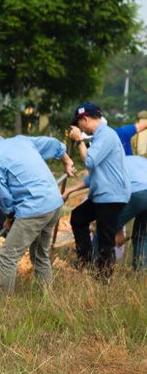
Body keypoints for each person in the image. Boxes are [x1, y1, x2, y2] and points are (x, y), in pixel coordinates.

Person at [0, 126, 76, 291]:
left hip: (35, 208)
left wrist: (9, 218)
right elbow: (52, 144)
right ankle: (48, 299)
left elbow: (4, 197)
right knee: (40, 255)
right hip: (54, 204)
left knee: (7, 256)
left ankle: (2, 305)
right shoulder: (20, 141)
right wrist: (67, 161)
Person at [64, 102, 130, 278]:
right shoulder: (99, 137)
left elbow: (89, 161)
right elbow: (94, 175)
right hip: (102, 195)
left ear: (85, 119)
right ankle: (86, 263)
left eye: (79, 125)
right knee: (78, 217)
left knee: (105, 240)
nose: (80, 128)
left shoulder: (106, 135)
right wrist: (69, 191)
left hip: (112, 196)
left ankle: (103, 279)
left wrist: (79, 140)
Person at [114, 155, 147, 270]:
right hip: (142, 189)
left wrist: (118, 233)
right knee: (141, 234)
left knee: (106, 228)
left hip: (138, 192)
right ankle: (140, 269)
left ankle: (91, 263)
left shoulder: (116, 163)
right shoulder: (139, 159)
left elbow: (117, 199)